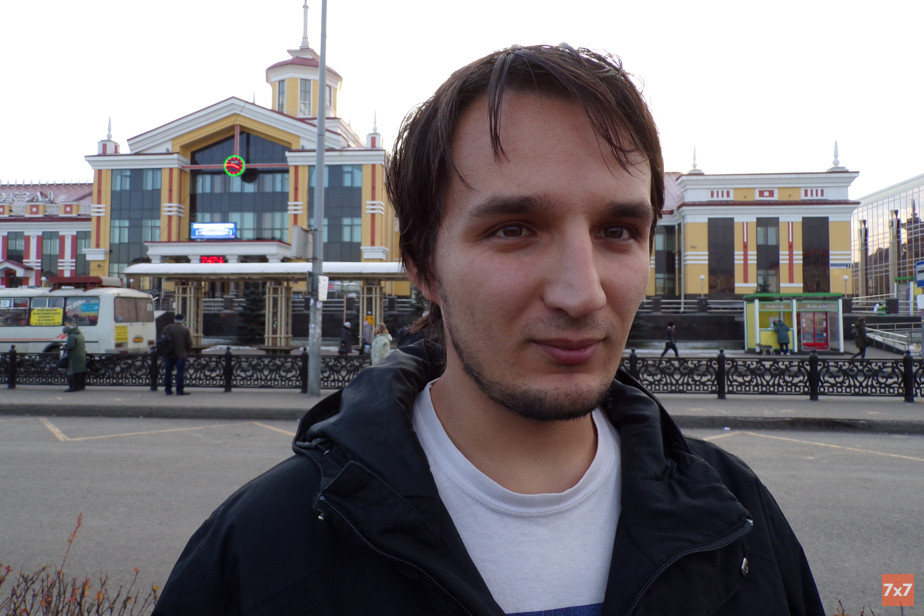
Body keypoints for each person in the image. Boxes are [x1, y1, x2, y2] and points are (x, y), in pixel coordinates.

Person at [155, 44, 823, 616]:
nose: (582, 293)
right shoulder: (263, 550)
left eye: (618, 231)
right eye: (514, 230)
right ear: (423, 265)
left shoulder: (737, 518)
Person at [162, 313, 192, 396]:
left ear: (174, 320)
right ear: (183, 320)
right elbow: (189, 343)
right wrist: (186, 350)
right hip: (181, 354)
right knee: (180, 372)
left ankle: (168, 390)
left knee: (168, 372)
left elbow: (162, 339)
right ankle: (179, 390)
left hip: (169, 353)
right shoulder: (185, 330)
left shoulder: (167, 328)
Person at [63, 319, 86, 392]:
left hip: (74, 357)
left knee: (71, 372)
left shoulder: (71, 336)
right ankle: (80, 386)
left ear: (67, 331)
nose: (66, 334)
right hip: (81, 356)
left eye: (66, 333)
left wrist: (65, 347)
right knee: (79, 372)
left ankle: (72, 387)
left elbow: (71, 346)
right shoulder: (80, 334)